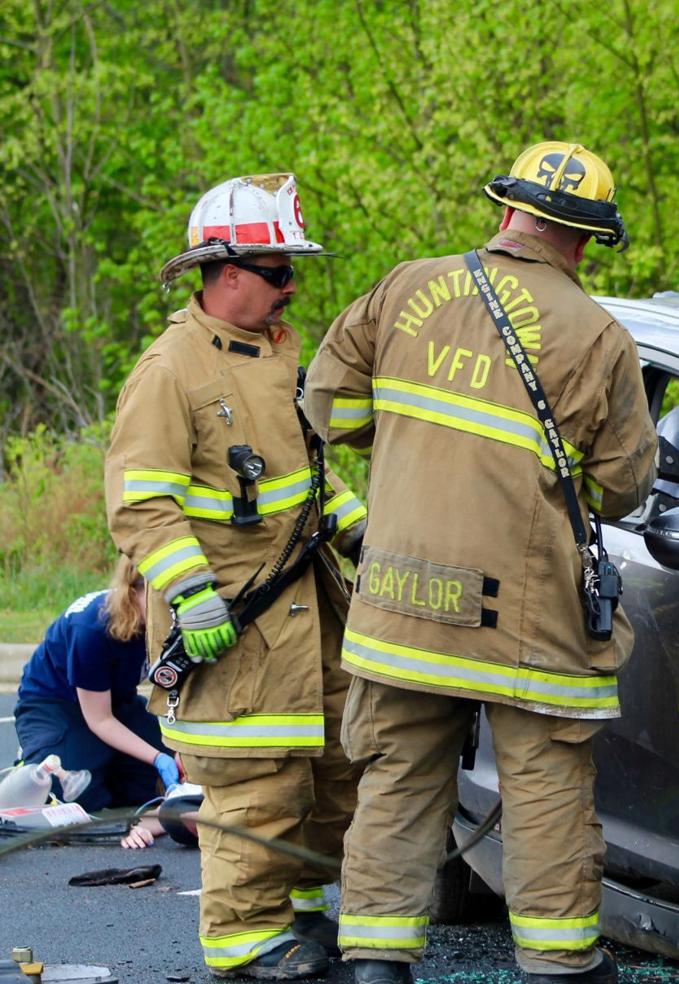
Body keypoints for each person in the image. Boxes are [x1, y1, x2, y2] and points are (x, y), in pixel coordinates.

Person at [304, 141, 657, 984]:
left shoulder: (407, 285)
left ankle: (378, 965)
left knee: (394, 781)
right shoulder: (600, 336)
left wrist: (419, 442)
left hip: (398, 602)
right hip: (528, 620)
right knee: (544, 788)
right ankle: (561, 964)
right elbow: (621, 488)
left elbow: (330, 405)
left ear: (507, 212)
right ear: (585, 240)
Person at [105, 173, 367, 980]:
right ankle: (243, 941)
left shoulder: (279, 355)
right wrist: (189, 593)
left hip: (310, 609)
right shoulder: (171, 369)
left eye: (293, 271)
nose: (292, 287)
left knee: (334, 773)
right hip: (234, 626)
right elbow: (141, 503)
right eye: (278, 272)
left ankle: (303, 916)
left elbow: (309, 477)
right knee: (255, 785)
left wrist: (367, 536)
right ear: (225, 275)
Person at [13, 555, 173, 813]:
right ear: (133, 592)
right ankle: (37, 755)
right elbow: (100, 720)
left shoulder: (166, 622)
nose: (169, 609)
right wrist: (157, 757)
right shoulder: (92, 629)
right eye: (160, 599)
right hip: (55, 705)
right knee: (73, 798)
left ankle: (102, 763)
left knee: (152, 785)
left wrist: (173, 754)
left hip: (116, 701)